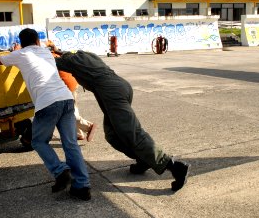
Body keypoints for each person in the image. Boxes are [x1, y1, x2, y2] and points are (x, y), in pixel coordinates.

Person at [49, 48, 190, 192]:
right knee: (113, 135)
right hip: (121, 86)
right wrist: (56, 50)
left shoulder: (69, 61)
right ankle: (143, 160)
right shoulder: (84, 55)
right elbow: (65, 54)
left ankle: (174, 166)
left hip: (112, 94)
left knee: (133, 134)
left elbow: (49, 62)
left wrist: (37, 50)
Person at [0, 28, 91, 200]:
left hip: (48, 103)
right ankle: (82, 186)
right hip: (66, 98)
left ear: (22, 43)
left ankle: (60, 170)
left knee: (38, 141)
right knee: (70, 144)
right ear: (38, 42)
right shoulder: (45, 52)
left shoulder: (20, 54)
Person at [46, 40, 96, 141]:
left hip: (66, 87)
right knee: (73, 108)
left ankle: (88, 126)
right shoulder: (59, 53)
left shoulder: (49, 57)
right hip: (73, 84)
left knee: (68, 112)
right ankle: (78, 133)